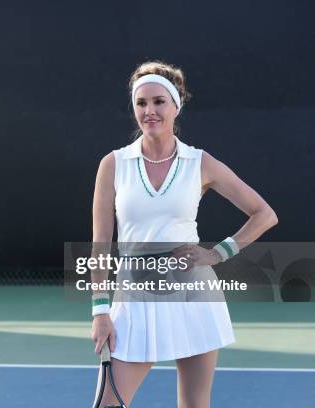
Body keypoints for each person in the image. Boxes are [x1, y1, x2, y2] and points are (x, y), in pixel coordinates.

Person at [90, 61, 278, 407]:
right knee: (108, 404)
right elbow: (101, 243)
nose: (150, 111)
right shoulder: (113, 164)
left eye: (159, 101)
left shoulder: (200, 162)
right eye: (141, 103)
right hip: (135, 297)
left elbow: (264, 214)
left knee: (194, 404)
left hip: (194, 294)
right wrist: (100, 310)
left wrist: (217, 253)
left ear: (176, 105)